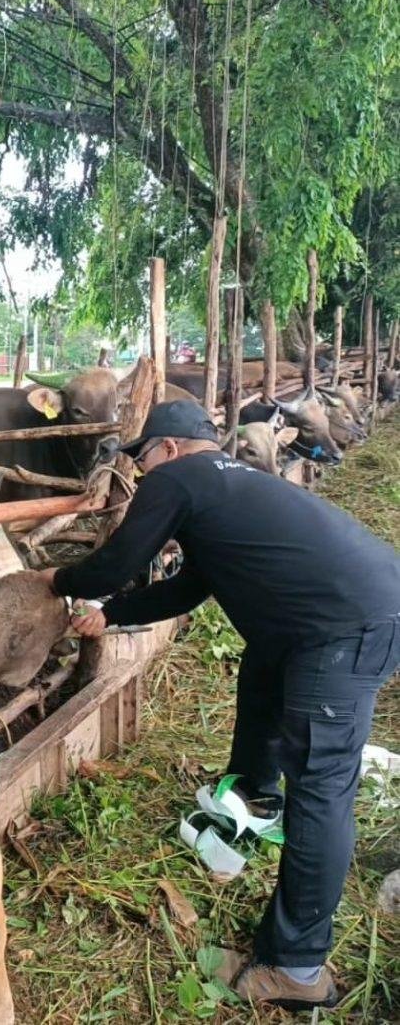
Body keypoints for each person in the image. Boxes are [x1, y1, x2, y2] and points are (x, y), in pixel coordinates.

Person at [50, 400, 400, 1010]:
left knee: (321, 786)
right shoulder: (234, 491)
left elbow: (117, 561)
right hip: (350, 612)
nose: (141, 472)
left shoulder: (179, 478)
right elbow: (189, 588)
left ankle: (297, 968)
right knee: (263, 663)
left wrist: (56, 582)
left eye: (144, 458)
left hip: (343, 630)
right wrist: (110, 615)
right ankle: (253, 799)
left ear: (169, 449)